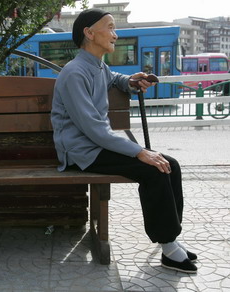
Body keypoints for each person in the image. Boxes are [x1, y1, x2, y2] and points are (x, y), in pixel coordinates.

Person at [50, 8, 198, 274]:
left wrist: (130, 81)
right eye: (109, 27)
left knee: (169, 164)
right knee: (153, 169)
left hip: (97, 147)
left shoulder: (96, 65)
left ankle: (171, 237)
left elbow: (113, 78)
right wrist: (139, 151)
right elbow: (94, 130)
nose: (115, 35)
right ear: (89, 33)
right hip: (82, 152)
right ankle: (167, 247)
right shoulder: (74, 73)